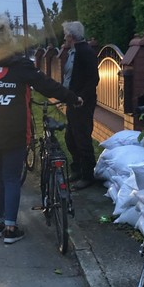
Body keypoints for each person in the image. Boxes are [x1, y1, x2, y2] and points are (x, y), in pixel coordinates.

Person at [0, 14, 82, 245]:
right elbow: (47, 86)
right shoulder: (20, 66)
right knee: (10, 178)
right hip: (13, 132)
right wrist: (73, 98)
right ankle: (10, 228)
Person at [61, 21, 100, 190]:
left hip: (83, 103)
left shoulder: (85, 52)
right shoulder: (73, 51)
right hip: (73, 101)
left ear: (71, 36)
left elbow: (94, 79)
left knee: (82, 138)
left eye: (65, 34)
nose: (64, 37)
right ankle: (77, 169)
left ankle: (87, 176)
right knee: (70, 137)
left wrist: (81, 97)